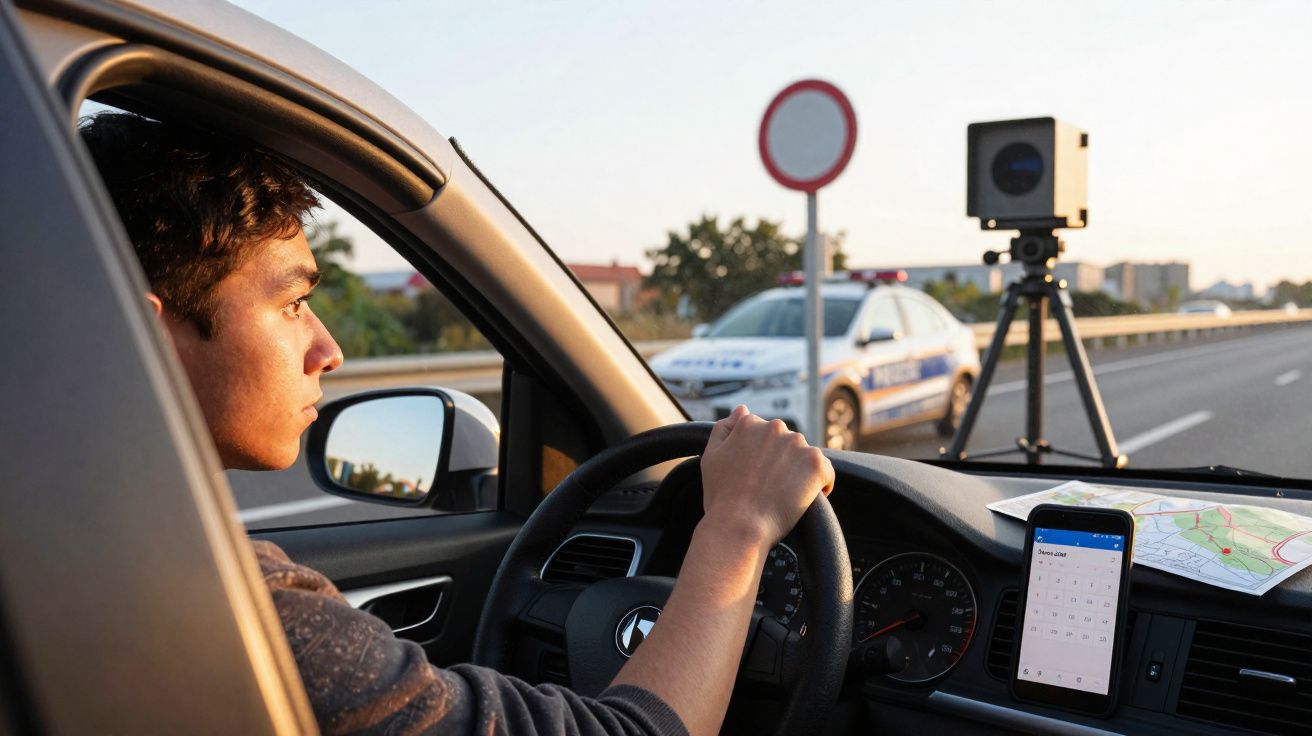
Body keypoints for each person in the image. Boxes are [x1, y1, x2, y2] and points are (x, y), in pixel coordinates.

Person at [80, 112, 834, 736]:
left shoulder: (82, 563)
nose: (329, 349)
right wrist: (737, 526)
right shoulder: (234, 614)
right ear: (137, 334)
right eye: (291, 304)